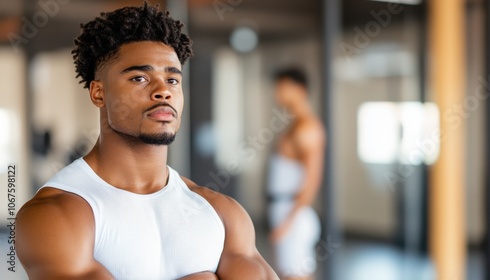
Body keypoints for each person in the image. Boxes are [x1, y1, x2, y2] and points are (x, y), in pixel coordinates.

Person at [16, 3, 278, 279]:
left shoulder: (221, 213)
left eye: (173, 80)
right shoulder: (55, 215)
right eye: (140, 78)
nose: (163, 91)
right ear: (98, 93)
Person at [267, 68, 325, 279]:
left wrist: (288, 222)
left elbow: (312, 180)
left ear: (300, 90)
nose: (278, 94)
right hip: (286, 210)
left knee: (296, 276)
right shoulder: (295, 125)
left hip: (294, 214)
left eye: (283, 88)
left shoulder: (307, 128)